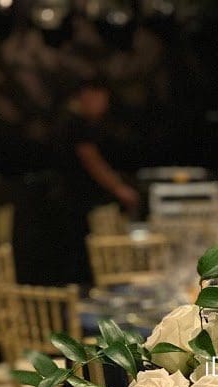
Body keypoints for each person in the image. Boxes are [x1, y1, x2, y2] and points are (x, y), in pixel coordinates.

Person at [57, 78, 139, 281]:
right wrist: (119, 188)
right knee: (86, 257)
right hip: (80, 202)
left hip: (82, 201)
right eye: (100, 99)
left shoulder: (83, 122)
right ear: (87, 96)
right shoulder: (76, 123)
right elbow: (90, 159)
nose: (104, 106)